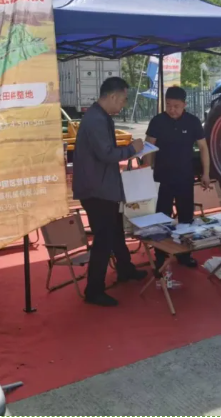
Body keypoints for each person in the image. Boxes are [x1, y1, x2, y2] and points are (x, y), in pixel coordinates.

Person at [72, 77, 147, 306]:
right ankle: (94, 290)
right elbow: (106, 154)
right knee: (104, 240)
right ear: (113, 96)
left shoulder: (100, 116)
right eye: (123, 100)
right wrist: (131, 149)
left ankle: (125, 268)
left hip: (103, 186)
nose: (123, 104)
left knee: (115, 232)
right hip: (97, 190)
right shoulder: (96, 119)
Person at [143, 86, 211, 270]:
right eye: (168, 105)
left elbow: (203, 148)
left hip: (185, 178)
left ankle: (184, 254)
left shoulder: (193, 122)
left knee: (186, 217)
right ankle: (160, 254)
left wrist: (206, 173)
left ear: (184, 105)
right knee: (161, 218)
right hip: (161, 178)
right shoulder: (158, 121)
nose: (172, 110)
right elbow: (148, 148)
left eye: (176, 106)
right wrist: (147, 173)